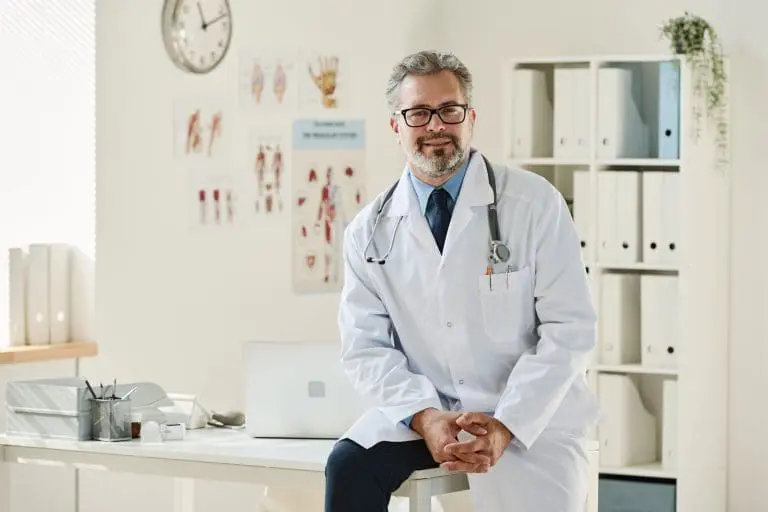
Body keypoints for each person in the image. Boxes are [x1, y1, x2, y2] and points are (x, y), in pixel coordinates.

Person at [325, 50, 599, 512]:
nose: (436, 126)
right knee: (350, 464)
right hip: (431, 413)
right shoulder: (369, 230)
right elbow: (365, 348)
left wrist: (507, 423)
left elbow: (570, 329)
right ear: (396, 126)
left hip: (528, 419)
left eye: (449, 110)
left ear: (470, 117)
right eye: (418, 113)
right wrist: (426, 417)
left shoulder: (535, 204)